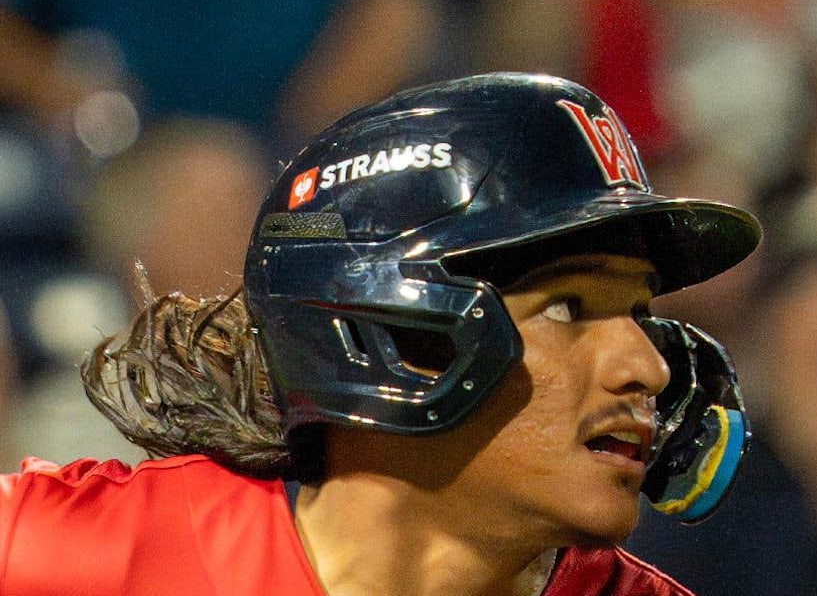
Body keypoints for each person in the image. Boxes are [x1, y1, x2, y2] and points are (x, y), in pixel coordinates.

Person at [0, 73, 761, 595]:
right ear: (386, 330)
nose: (647, 368)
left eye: (639, 315)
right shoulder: (73, 555)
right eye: (566, 308)